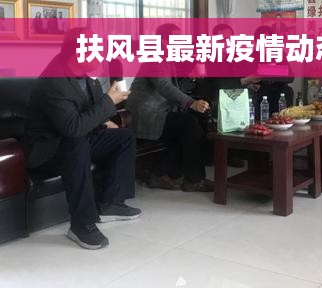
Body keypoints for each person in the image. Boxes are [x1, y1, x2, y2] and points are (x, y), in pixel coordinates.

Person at [23, 27, 141, 250]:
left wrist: (105, 121)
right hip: (47, 150)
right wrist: (109, 101)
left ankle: (109, 203)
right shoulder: (53, 82)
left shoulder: (87, 77)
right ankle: (81, 224)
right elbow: (73, 127)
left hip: (77, 138)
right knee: (76, 143)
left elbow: (90, 111)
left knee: (124, 137)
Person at [127, 23, 214, 192]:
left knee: (196, 122)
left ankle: (161, 172)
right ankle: (194, 180)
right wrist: (191, 103)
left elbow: (176, 84)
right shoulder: (155, 57)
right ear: (164, 41)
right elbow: (164, 86)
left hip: (161, 111)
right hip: (147, 114)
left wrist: (193, 74)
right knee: (189, 124)